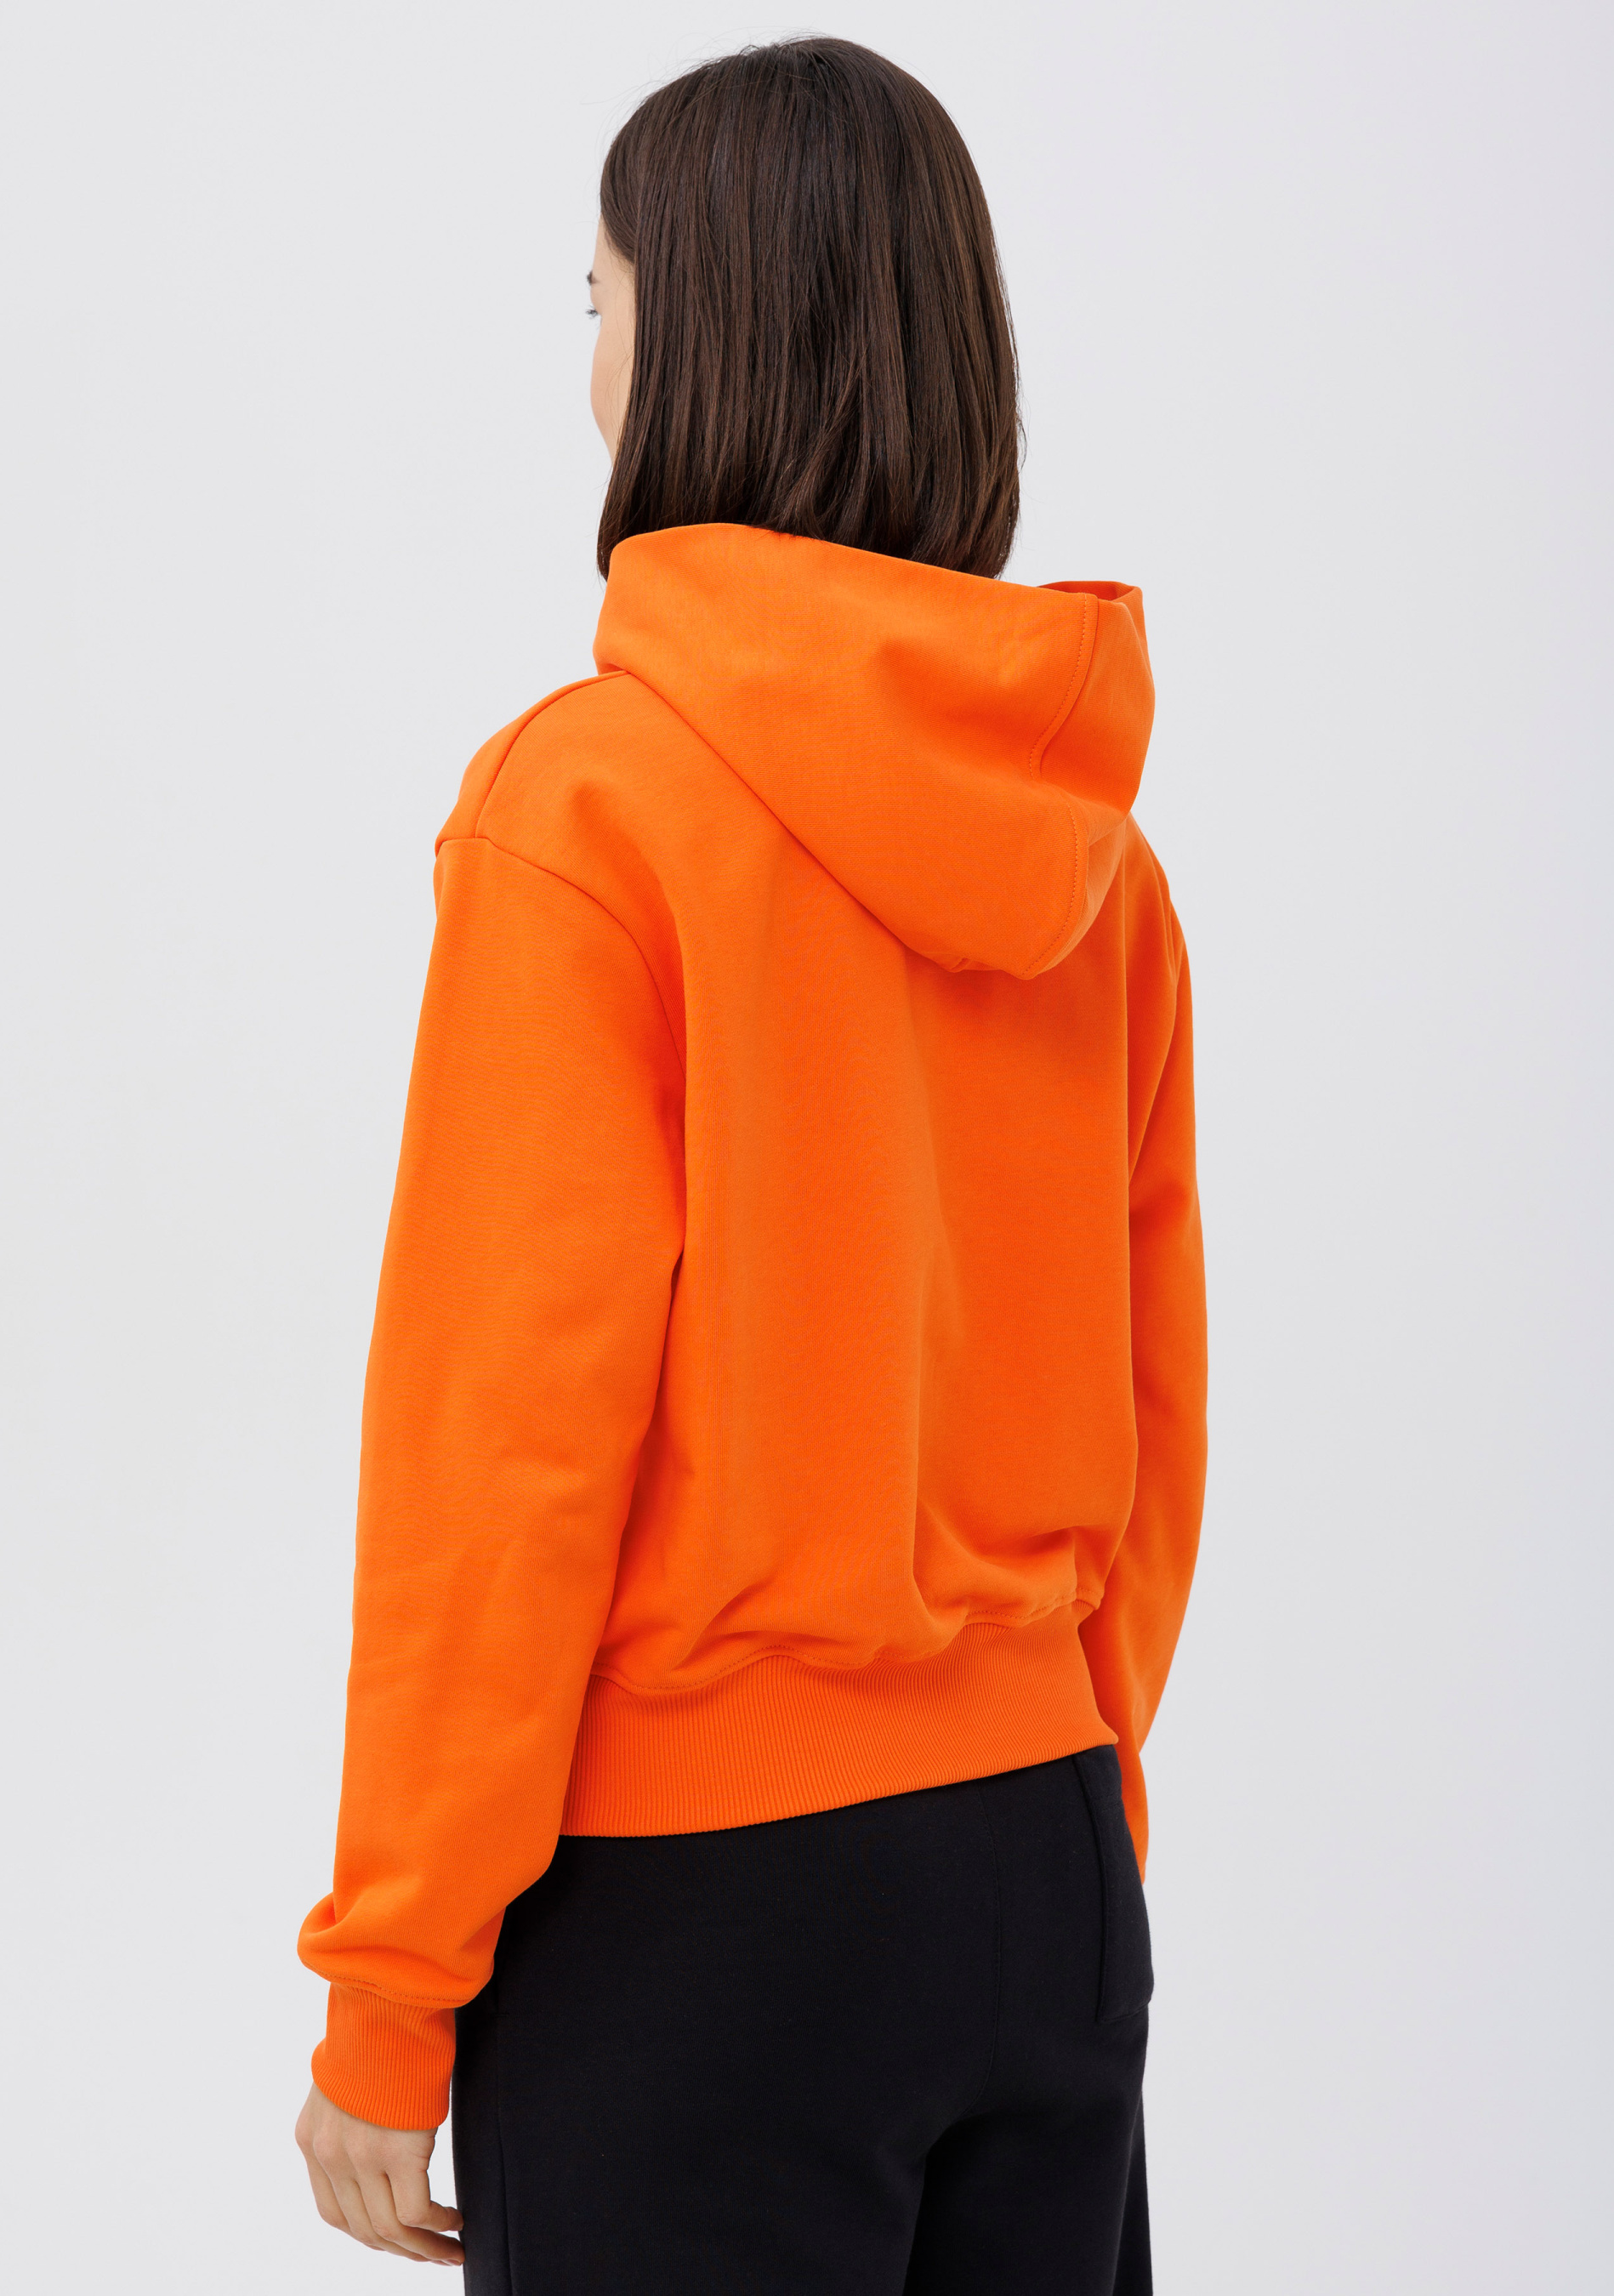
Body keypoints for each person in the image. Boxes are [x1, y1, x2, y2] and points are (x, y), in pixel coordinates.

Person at [293, 36, 1206, 2295]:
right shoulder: (1096, 869)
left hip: (703, 1913)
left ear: (693, 334)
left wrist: (393, 1988)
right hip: (1043, 1869)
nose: (584, 364)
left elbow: (504, 1448)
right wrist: (1067, 1801)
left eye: (596, 298)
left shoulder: (592, 811)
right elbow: (1153, 1416)